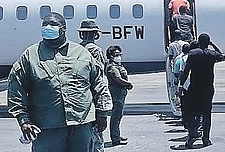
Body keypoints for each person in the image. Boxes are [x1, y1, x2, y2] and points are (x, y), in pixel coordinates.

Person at [7, 12, 112, 152]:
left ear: (63, 29)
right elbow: (16, 89)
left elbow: (99, 84)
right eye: (45, 25)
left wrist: (102, 113)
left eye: (53, 25)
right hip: (47, 127)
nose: (48, 27)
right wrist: (23, 120)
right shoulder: (30, 56)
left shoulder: (82, 53)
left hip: (82, 124)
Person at [178, 33, 225, 148]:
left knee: (193, 112)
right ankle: (206, 138)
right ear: (208, 42)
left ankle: (192, 135)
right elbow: (222, 55)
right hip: (208, 88)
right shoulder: (212, 54)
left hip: (195, 87)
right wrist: (212, 44)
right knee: (207, 113)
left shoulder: (193, 54)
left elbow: (186, 71)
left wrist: (181, 84)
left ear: (199, 42)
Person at [77, 19, 110, 152]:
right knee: (96, 138)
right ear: (96, 34)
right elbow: (99, 77)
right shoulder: (95, 50)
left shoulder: (77, 49)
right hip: (93, 96)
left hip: (80, 96)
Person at [105, 45, 132, 146]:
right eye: (117, 55)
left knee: (118, 115)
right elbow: (118, 79)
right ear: (111, 56)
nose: (119, 56)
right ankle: (115, 138)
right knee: (116, 115)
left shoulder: (117, 65)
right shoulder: (112, 67)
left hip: (120, 92)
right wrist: (128, 84)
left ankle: (117, 134)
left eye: (120, 54)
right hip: (117, 93)